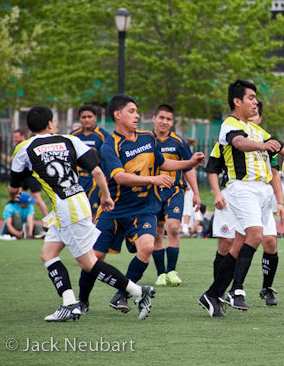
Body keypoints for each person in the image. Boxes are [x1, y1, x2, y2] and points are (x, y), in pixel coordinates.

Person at [198, 80, 284, 317]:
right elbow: (239, 143)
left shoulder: (258, 129)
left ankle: (212, 294)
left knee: (240, 244)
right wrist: (262, 145)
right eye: (250, 98)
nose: (255, 102)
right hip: (242, 189)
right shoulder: (229, 125)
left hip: (262, 193)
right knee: (255, 236)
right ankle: (233, 291)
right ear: (237, 101)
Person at [9, 106, 156, 321]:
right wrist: (105, 196)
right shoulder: (70, 140)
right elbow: (97, 170)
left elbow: (14, 186)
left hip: (67, 209)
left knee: (88, 263)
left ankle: (138, 292)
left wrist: (14, 195)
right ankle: (69, 302)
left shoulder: (24, 148)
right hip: (76, 203)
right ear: (50, 124)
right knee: (48, 255)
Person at [77, 94, 204, 314]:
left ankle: (121, 295)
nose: (137, 116)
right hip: (114, 210)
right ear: (118, 115)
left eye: (137, 111)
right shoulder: (110, 146)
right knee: (94, 260)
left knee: (146, 247)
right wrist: (153, 179)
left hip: (144, 208)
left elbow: (162, 162)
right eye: (132, 111)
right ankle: (83, 300)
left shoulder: (148, 138)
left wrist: (189, 162)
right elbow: (120, 177)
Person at [205, 101, 284, 309]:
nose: (253, 115)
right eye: (251, 108)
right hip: (234, 196)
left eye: (256, 114)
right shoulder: (230, 135)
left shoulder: (263, 138)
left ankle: (223, 292)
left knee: (253, 242)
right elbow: (212, 167)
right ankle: (226, 291)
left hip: (260, 196)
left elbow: (282, 158)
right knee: (228, 244)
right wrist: (217, 193)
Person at [150, 104, 201, 287]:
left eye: (169, 119)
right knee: (156, 234)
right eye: (161, 118)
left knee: (172, 228)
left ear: (173, 122)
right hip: (153, 192)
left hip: (175, 191)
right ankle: (160, 273)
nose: (165, 122)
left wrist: (196, 193)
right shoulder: (146, 141)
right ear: (154, 118)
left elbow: (189, 166)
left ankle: (171, 271)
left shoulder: (178, 142)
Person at [70, 105, 112, 219]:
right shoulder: (73, 136)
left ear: (95, 118)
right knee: (77, 213)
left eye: (90, 116)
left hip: (95, 180)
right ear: (79, 119)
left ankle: (93, 235)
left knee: (93, 212)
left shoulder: (103, 135)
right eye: (84, 117)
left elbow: (108, 157)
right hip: (77, 180)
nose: (87, 119)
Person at [13, 128, 50, 218]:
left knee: (36, 197)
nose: (15, 139)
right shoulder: (18, 147)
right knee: (17, 195)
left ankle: (48, 218)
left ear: (23, 136)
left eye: (17, 137)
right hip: (22, 176)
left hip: (32, 176)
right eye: (14, 137)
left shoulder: (28, 145)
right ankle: (19, 217)